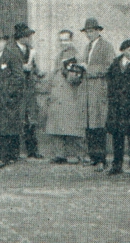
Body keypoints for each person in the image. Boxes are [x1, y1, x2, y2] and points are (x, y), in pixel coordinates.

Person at [79, 18, 115, 172]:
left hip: (99, 90)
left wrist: (89, 68)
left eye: (92, 31)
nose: (89, 34)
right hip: (87, 91)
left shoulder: (106, 46)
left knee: (99, 125)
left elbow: (109, 66)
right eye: (87, 31)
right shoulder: (87, 47)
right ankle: (94, 157)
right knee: (90, 126)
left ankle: (102, 160)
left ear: (98, 31)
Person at [45, 30, 85, 165]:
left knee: (70, 126)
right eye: (61, 40)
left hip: (69, 94)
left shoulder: (76, 55)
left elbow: (76, 78)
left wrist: (67, 71)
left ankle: (74, 154)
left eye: (66, 40)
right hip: (57, 94)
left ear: (71, 40)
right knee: (57, 126)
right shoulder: (59, 55)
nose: (63, 43)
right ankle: (59, 154)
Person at [105, 39, 130, 177]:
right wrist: (112, 96)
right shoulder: (115, 63)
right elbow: (109, 79)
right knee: (117, 136)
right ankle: (117, 165)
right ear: (123, 50)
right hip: (116, 106)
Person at [0, 29, 25, 168]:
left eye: (0, 41)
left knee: (6, 127)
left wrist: (9, 93)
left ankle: (2, 158)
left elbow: (19, 77)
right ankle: (10, 155)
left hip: (9, 99)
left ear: (5, 42)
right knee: (3, 127)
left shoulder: (11, 56)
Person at [12, 23, 43, 159]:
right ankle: (15, 152)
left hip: (29, 90)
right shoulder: (11, 50)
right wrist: (22, 68)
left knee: (30, 119)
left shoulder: (30, 50)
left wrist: (38, 72)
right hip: (17, 90)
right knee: (17, 120)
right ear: (20, 37)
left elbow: (33, 66)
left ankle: (32, 150)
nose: (29, 38)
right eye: (27, 36)